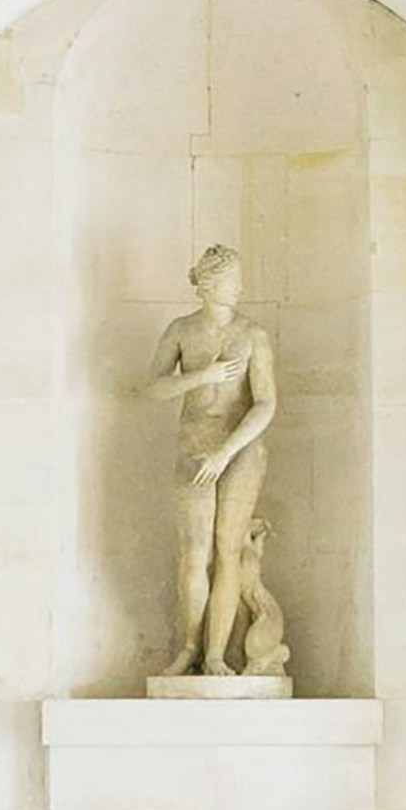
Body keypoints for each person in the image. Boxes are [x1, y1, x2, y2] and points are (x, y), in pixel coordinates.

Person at [139, 245, 277, 676]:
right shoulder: (182, 330)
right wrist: (202, 376)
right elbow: (153, 388)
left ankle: (216, 653)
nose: (240, 289)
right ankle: (189, 647)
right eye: (233, 280)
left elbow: (266, 404)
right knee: (193, 552)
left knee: (228, 548)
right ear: (211, 285)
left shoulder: (253, 335)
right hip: (195, 446)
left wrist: (226, 451)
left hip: (240, 451)